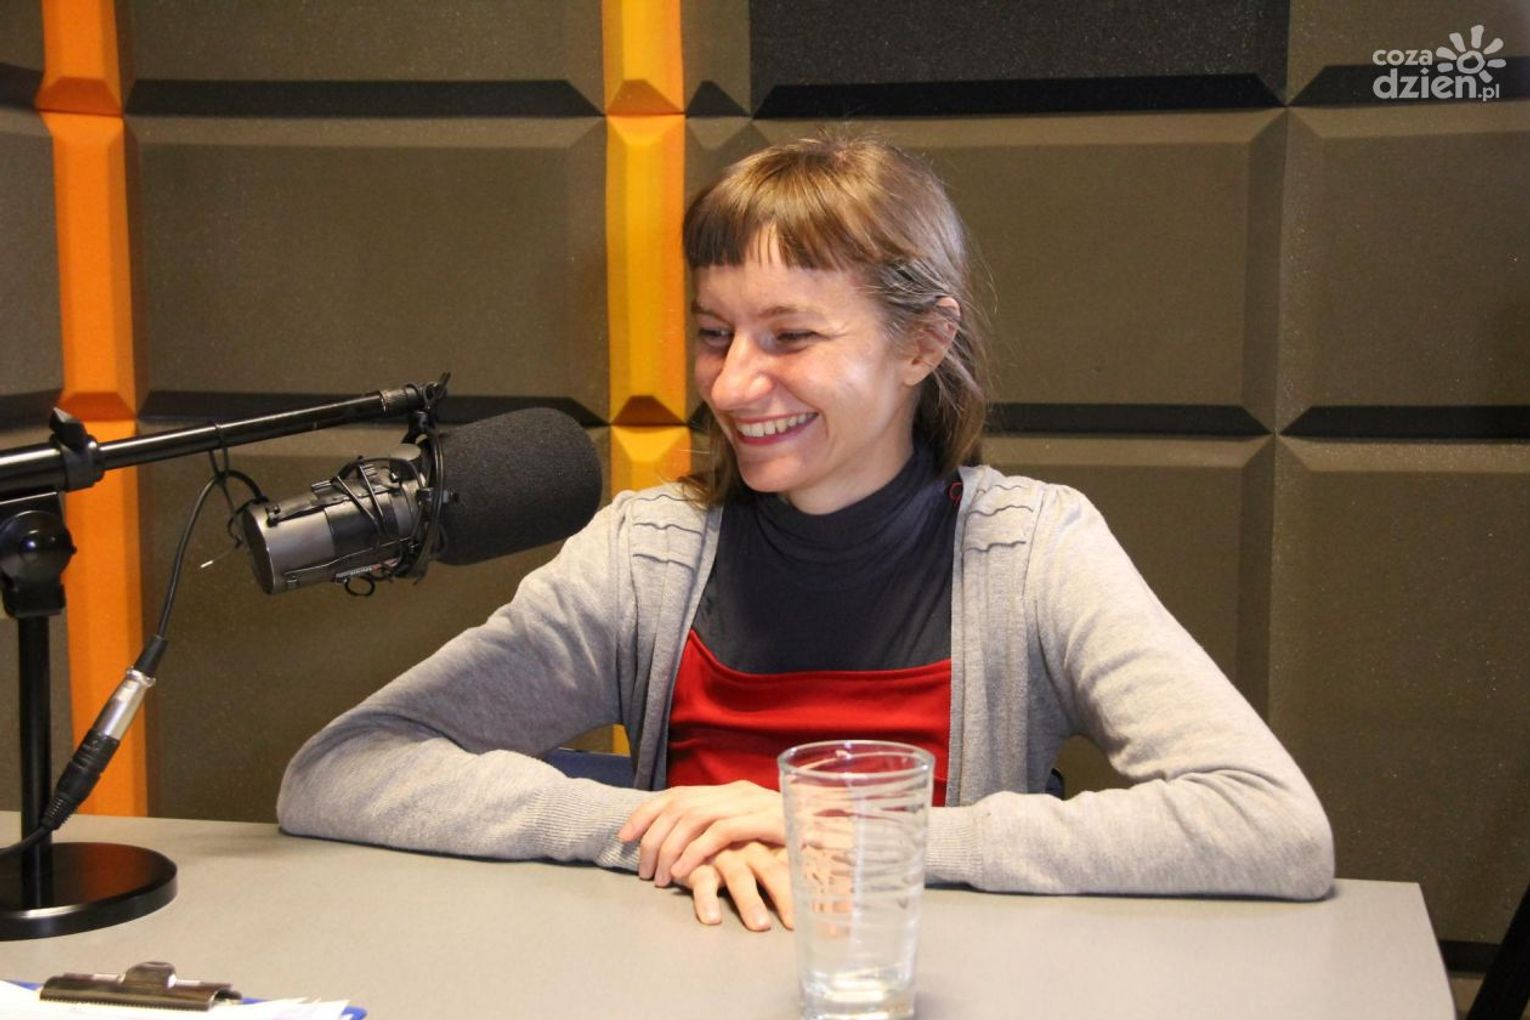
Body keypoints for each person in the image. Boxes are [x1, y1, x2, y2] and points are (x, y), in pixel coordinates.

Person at [277, 135, 1334, 931]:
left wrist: (847, 828)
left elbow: (1269, 825)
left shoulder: (1035, 550)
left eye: (790, 337)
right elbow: (342, 770)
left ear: (923, 342)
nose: (735, 385)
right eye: (714, 335)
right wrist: (656, 831)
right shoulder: (645, 554)